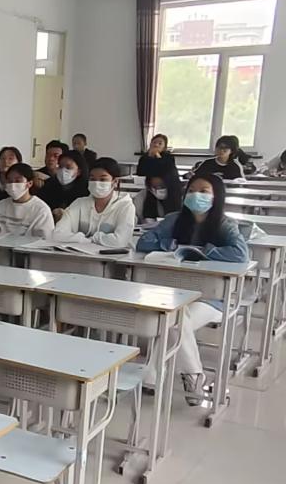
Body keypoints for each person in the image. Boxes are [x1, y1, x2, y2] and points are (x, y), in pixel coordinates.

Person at [136, 175, 249, 404]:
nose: (197, 195)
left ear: (216, 196)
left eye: (204, 191)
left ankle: (155, 374)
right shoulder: (174, 219)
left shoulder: (224, 224)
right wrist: (171, 245)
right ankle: (193, 375)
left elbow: (241, 254)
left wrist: (205, 250)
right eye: (192, 190)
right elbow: (143, 242)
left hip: (213, 298)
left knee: (173, 319)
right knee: (175, 317)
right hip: (178, 293)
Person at [53, 157, 135, 247]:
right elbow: (58, 234)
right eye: (92, 179)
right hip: (81, 253)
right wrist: (85, 240)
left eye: (103, 180)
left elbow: (120, 241)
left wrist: (92, 239)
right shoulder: (79, 203)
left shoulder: (125, 206)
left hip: (113, 255)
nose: (96, 183)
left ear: (115, 182)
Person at [0, 162, 55, 237]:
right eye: (9, 181)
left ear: (29, 183)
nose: (12, 185)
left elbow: (45, 239)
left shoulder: (41, 210)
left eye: (18, 181)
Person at [39, 149, 90, 221]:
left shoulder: (87, 190)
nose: (63, 171)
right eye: (60, 166)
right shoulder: (48, 185)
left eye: (68, 167)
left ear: (79, 171)